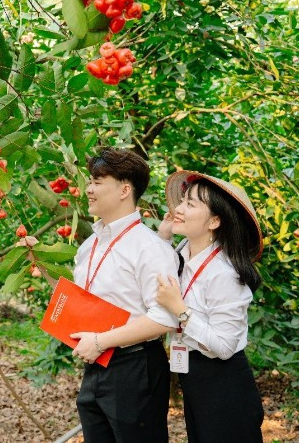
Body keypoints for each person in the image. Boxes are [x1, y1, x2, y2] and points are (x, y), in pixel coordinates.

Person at [60, 147, 179, 442]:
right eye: (90, 181)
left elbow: (165, 318)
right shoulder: (89, 246)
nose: (88, 189)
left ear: (125, 189)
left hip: (135, 367)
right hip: (96, 366)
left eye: (98, 182)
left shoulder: (150, 248)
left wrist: (101, 341)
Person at [155, 171, 264, 443]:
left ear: (215, 221)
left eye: (190, 205)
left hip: (224, 384)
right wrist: (162, 238)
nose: (178, 209)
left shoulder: (225, 273)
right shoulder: (182, 251)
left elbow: (225, 347)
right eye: (182, 201)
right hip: (194, 376)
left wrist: (181, 310)